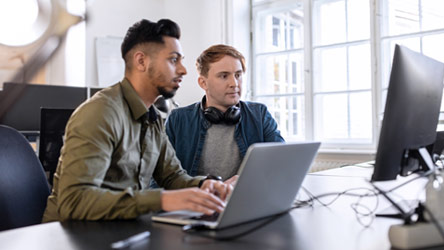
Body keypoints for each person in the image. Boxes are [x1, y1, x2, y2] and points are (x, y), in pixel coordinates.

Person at [42, 19, 233, 222]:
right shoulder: (100, 113)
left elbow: (172, 177)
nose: (183, 70)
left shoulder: (153, 118)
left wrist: (204, 185)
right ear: (141, 61)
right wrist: (162, 200)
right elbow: (75, 202)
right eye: (173, 60)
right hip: (70, 236)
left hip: (118, 230)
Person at [165, 44, 284, 181]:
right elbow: (158, 181)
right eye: (224, 76)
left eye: (238, 75)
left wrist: (243, 181)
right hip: (198, 200)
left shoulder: (260, 114)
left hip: (248, 198)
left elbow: (281, 163)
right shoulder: (178, 119)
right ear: (203, 83)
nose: (234, 83)